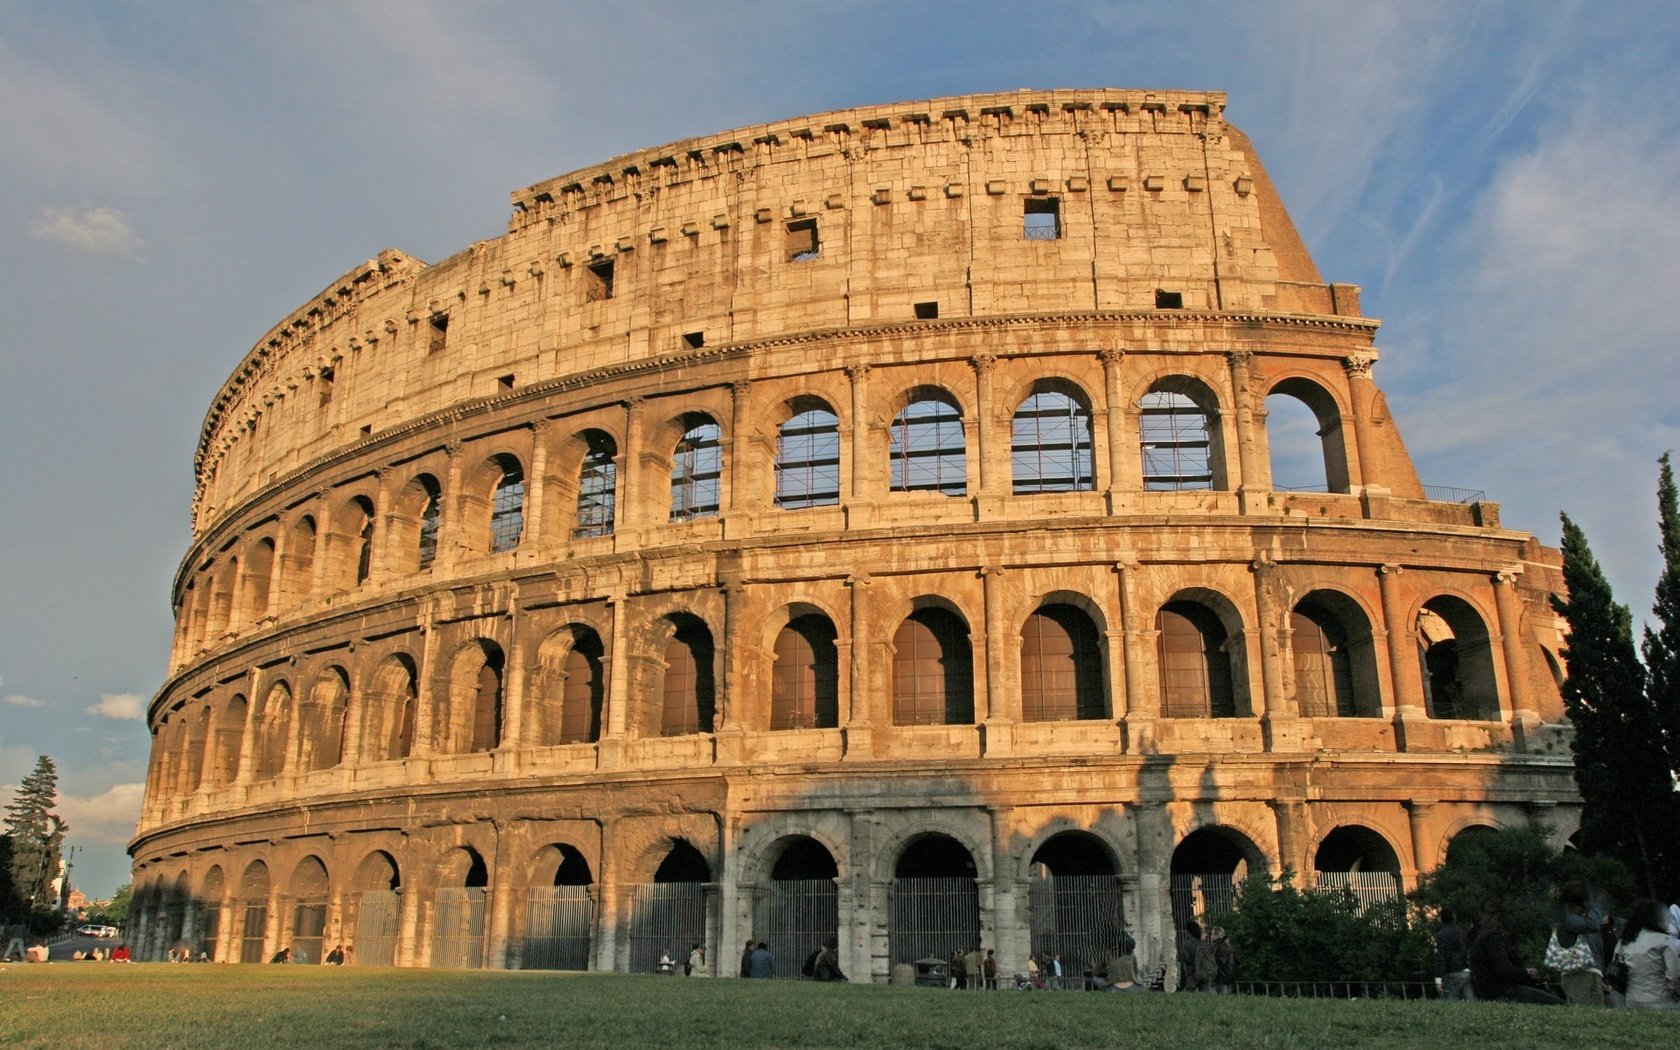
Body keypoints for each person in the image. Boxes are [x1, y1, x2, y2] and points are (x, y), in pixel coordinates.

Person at [1469, 908, 1561, 1005]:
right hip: (1504, 990)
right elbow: (1502, 970)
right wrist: (1527, 973)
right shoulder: (1492, 938)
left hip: (1488, 991)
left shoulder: (1476, 938)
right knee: (1559, 1004)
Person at [1612, 899, 1680, 1009]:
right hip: (1662, 1001)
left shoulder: (1624, 941)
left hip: (1632, 1000)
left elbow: (1615, 969)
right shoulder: (1664, 940)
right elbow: (1674, 975)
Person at [1552, 882, 1606, 1005]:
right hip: (1579, 975)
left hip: (1589, 974)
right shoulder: (1567, 919)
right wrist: (1596, 905)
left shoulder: (1575, 919)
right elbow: (1593, 924)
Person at [1434, 908, 1473, 1001]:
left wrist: (1438, 978)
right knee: (1470, 1004)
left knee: (1451, 1003)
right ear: (1454, 918)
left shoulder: (1441, 935)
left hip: (1451, 972)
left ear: (1441, 919)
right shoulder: (1463, 932)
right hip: (1466, 971)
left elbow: (1440, 956)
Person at [1210, 927, 1235, 994]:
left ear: (1217, 935)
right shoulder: (1228, 946)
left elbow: (1217, 963)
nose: (1211, 936)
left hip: (1219, 978)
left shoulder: (1217, 947)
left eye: (1212, 934)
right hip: (1229, 977)